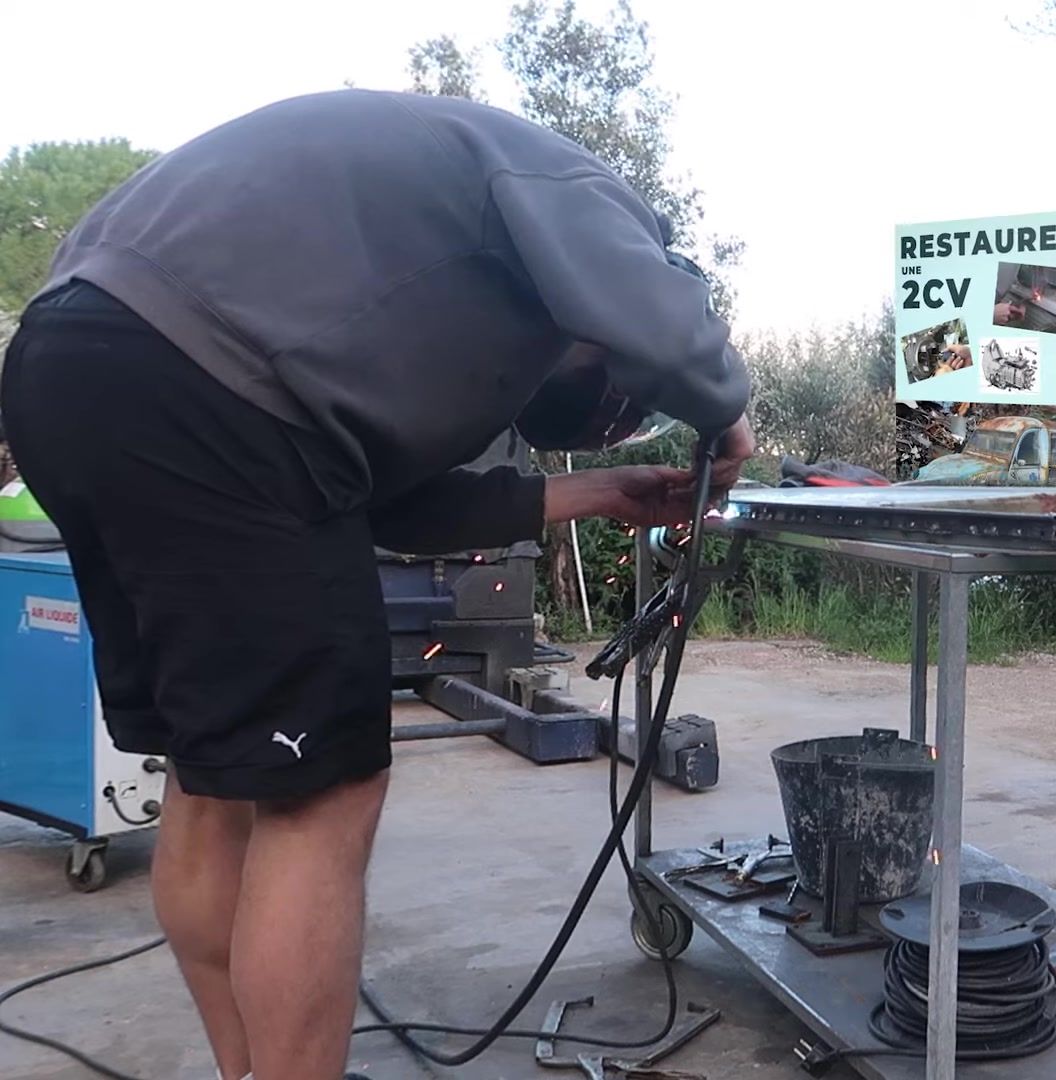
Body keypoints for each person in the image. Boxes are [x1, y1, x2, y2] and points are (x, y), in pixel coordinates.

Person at [0, 89, 753, 1080]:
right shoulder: (584, 193)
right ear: (600, 332)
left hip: (66, 371)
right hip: (208, 396)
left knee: (209, 770)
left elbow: (385, 506)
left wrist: (601, 492)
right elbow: (666, 319)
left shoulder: (377, 271)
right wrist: (725, 411)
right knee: (319, 795)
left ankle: (251, 1070)